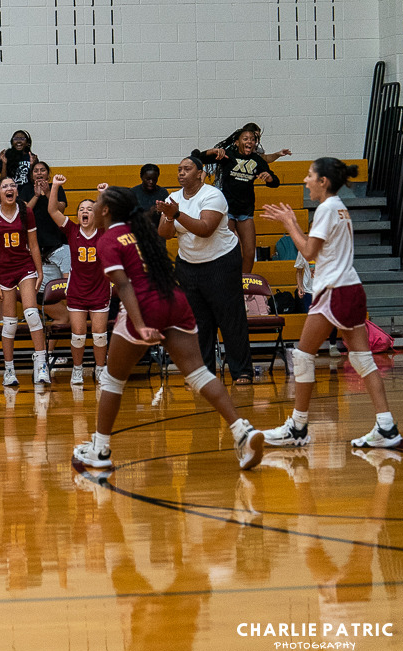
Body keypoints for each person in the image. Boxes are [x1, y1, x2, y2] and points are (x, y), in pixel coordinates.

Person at [71, 185, 264, 472]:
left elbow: (124, 285)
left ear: (107, 211)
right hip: (175, 299)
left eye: (97, 203)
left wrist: (140, 325)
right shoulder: (140, 232)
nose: (93, 208)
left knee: (112, 380)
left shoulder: (108, 239)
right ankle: (242, 432)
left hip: (145, 305)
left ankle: (100, 449)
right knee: (199, 373)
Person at [259, 158, 403, 450]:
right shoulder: (340, 207)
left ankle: (298, 428)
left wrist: (289, 224)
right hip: (351, 288)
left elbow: (309, 251)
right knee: (362, 360)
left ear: (323, 181)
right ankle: (386, 426)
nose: (305, 180)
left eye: (310, 175)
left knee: (302, 355)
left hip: (334, 291)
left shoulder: (326, 208)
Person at [155, 151, 253, 385]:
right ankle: (204, 376)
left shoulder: (213, 195)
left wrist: (176, 213)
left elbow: (205, 228)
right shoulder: (173, 197)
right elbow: (164, 234)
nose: (181, 172)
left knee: (230, 320)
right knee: (198, 323)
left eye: (187, 169)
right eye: (179, 169)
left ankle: (242, 372)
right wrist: (169, 218)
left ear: (201, 174)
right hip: (189, 266)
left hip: (221, 263)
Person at [0, 177, 48, 385]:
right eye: (5, 186)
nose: (9, 188)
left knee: (31, 313)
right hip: (3, 271)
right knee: (9, 323)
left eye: (12, 185)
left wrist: (39, 271)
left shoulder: (26, 212)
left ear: (17, 192)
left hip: (24, 267)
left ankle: (41, 364)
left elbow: (34, 244)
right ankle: (9, 370)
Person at [48, 176, 110, 385]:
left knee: (100, 335)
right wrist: (55, 186)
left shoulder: (104, 231)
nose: (85, 211)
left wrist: (103, 195)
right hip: (77, 291)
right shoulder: (72, 230)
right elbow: (53, 212)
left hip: (100, 290)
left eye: (90, 209)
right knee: (78, 335)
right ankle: (77, 369)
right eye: (82, 209)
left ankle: (100, 369)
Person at [203, 125, 280, 273]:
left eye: (252, 139)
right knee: (229, 250)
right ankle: (227, 279)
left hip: (245, 210)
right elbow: (200, 158)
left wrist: (269, 178)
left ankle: (244, 283)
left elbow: (275, 182)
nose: (249, 141)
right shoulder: (227, 155)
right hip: (228, 210)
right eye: (245, 139)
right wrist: (212, 151)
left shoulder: (257, 160)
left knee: (250, 252)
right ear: (237, 142)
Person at [26, 161, 70, 280]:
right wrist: (36, 196)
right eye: (36, 170)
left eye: (42, 170)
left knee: (65, 280)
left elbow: (60, 209)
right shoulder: (26, 189)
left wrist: (48, 193)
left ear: (48, 174)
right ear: (31, 175)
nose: (39, 173)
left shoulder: (56, 188)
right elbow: (24, 212)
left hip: (56, 240)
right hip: (35, 240)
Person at [0, 130, 38, 201]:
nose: (19, 141)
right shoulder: (7, 156)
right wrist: (4, 163)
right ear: (12, 142)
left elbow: (34, 180)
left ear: (27, 143)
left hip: (29, 193)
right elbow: (2, 180)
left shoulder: (32, 157)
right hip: (11, 193)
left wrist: (32, 165)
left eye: (22, 139)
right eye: (16, 139)